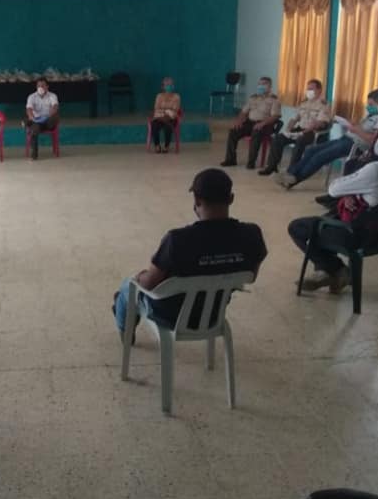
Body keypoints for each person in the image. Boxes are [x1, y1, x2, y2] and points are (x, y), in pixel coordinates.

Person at [112, 169, 267, 344]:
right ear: (231, 198)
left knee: (129, 286)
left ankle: (124, 328)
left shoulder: (177, 240)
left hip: (169, 316)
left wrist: (139, 277)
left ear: (197, 201)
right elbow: (251, 276)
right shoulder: (252, 235)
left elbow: (149, 284)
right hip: (213, 315)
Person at [288, 118, 378, 294]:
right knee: (328, 216)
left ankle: (337, 270)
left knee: (299, 227)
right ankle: (327, 273)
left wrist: (351, 190)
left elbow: (333, 189)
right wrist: (353, 193)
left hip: (355, 235)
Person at [276, 89, 378, 189]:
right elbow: (362, 128)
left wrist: (356, 130)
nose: (368, 107)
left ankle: (293, 180)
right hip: (346, 139)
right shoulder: (370, 115)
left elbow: (372, 140)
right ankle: (290, 174)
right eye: (368, 104)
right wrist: (352, 124)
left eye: (371, 105)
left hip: (356, 145)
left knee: (319, 156)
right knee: (311, 150)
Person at [258, 79, 331, 176]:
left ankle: (292, 170)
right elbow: (294, 119)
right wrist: (288, 129)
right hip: (299, 129)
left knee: (300, 141)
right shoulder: (304, 103)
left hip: (311, 132)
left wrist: (304, 132)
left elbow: (320, 123)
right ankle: (271, 167)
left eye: (311, 89)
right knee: (278, 138)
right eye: (308, 89)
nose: (308, 91)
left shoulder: (324, 105)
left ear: (319, 90)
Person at [221, 76, 282, 168]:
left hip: (265, 125)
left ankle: (251, 162)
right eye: (259, 84)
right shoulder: (253, 98)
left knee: (256, 132)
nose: (261, 86)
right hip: (250, 123)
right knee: (233, 132)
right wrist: (239, 120)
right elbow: (243, 112)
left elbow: (275, 116)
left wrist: (262, 123)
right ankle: (230, 160)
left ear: (270, 87)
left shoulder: (274, 100)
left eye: (264, 84)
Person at [24, 78, 59, 161]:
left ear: (47, 86)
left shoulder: (52, 95)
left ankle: (28, 123)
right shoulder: (32, 97)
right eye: (38, 86)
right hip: (37, 121)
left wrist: (49, 114)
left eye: (42, 85)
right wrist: (31, 116)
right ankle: (34, 155)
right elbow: (29, 109)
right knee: (34, 128)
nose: (40, 87)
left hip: (48, 121)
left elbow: (55, 106)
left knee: (55, 117)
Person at [150, 76, 181, 153]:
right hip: (160, 117)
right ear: (163, 87)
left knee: (168, 127)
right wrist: (166, 112)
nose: (169, 87)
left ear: (173, 86)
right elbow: (156, 108)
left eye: (170, 85)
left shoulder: (176, 97)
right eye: (166, 85)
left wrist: (165, 112)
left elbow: (175, 109)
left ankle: (166, 146)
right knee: (154, 125)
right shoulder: (159, 96)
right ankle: (157, 146)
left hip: (171, 118)